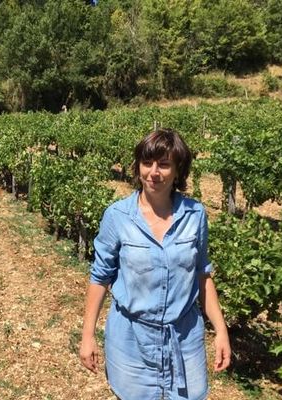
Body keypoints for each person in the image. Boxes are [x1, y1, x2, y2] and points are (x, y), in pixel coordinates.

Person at [79, 128, 231, 400]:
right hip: (132, 339)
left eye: (164, 164)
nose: (154, 172)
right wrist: (87, 335)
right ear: (137, 167)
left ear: (178, 170)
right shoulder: (118, 217)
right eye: (147, 163)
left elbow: (203, 274)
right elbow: (100, 278)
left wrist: (221, 330)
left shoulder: (195, 215)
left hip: (183, 338)